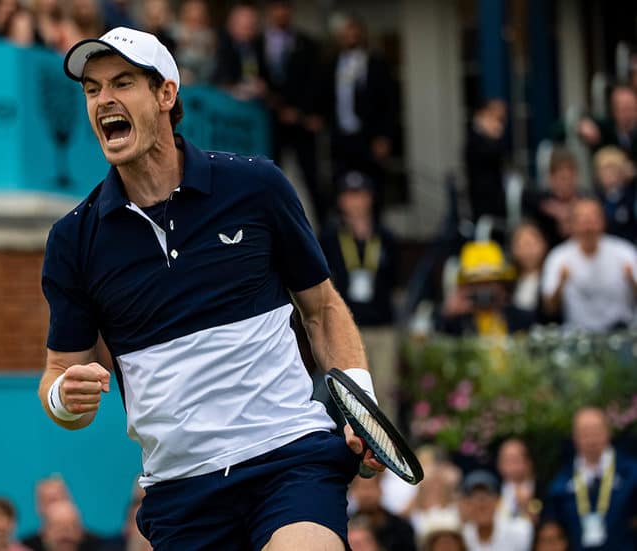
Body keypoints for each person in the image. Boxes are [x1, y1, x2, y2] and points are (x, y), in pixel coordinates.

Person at [43, 25, 384, 551]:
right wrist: (66, 397)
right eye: (92, 90)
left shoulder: (257, 186)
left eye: (122, 82)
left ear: (166, 94)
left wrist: (359, 403)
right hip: (181, 493)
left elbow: (321, 309)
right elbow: (60, 376)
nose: (104, 99)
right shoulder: (73, 239)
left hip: (289, 456)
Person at [319, 170, 399, 419]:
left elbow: (395, 282)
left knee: (386, 392)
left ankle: (389, 453)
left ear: (370, 198)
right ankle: (354, 450)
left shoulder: (386, 238)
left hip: (382, 326)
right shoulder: (330, 238)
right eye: (350, 195)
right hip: (345, 326)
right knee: (351, 394)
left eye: (361, 194)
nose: (356, 201)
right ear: (341, 201)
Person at [320, 15, 398, 220]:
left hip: (369, 138)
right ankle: (343, 239)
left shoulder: (376, 63)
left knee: (374, 188)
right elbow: (325, 98)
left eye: (354, 32)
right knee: (340, 188)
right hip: (342, 138)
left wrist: (384, 136)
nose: (350, 37)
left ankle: (375, 234)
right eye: (346, 34)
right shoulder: (332, 64)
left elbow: (389, 103)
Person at [260, 0, 323, 216]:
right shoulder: (258, 44)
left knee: (312, 179)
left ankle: (323, 233)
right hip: (270, 123)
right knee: (270, 176)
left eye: (285, 7)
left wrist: (303, 112)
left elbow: (316, 83)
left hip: (302, 122)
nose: (280, 12)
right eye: (276, 7)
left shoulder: (308, 44)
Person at [544, 407, 637, 550]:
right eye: (585, 433)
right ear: (575, 437)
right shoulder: (561, 482)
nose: (591, 440)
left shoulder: (631, 472)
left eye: (596, 431)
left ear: (608, 432)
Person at [541, 198, 637, 331]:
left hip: (621, 331)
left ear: (603, 221)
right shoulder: (558, 257)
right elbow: (549, 309)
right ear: (571, 224)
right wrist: (561, 283)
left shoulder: (625, 252)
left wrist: (632, 280)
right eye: (582, 219)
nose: (588, 225)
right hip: (578, 334)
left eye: (592, 218)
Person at [438, 240, 534, 337]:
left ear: (501, 284)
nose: (484, 290)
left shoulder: (521, 319)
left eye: (489, 282)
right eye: (477, 283)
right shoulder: (455, 322)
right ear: (465, 288)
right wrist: (447, 315)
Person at [522, 148, 582, 248]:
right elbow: (527, 198)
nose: (566, 183)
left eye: (570, 178)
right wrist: (555, 209)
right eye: (562, 178)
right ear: (551, 178)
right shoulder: (540, 200)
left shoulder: (585, 200)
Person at [459, 470, 532, 551]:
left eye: (485, 498)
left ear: (497, 500)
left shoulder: (521, 531)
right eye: (474, 498)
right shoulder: (462, 536)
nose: (481, 505)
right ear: (465, 504)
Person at [465, 99, 509, 228]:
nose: (499, 125)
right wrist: (495, 134)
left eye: (501, 120)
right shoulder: (475, 139)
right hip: (484, 205)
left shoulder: (489, 139)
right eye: (496, 118)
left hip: (497, 202)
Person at [212, 4, 268, 102]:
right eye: (244, 27)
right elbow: (219, 78)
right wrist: (237, 87)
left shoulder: (258, 47)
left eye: (252, 26)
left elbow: (265, 77)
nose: (248, 31)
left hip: (254, 99)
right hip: (227, 100)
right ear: (231, 26)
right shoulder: (221, 46)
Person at [349, 474, 416, 551]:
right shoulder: (344, 526)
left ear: (380, 488)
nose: (366, 494)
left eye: (370, 487)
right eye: (361, 487)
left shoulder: (401, 528)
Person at [577, 86, 637, 163]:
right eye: (623, 109)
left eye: (631, 108)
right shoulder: (605, 129)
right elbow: (583, 125)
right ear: (613, 110)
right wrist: (583, 125)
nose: (628, 114)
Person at [592, 146, 637, 241]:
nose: (608, 173)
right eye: (604, 169)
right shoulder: (594, 197)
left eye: (612, 168)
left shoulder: (631, 195)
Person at [509, 222, 549, 318]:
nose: (528, 251)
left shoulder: (551, 277)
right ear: (513, 249)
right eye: (522, 245)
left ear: (543, 245)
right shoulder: (507, 281)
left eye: (531, 244)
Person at [496, 438, 540, 524]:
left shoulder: (542, 490)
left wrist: (526, 507)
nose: (510, 465)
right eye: (506, 460)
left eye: (515, 459)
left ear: (528, 463)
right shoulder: (493, 491)